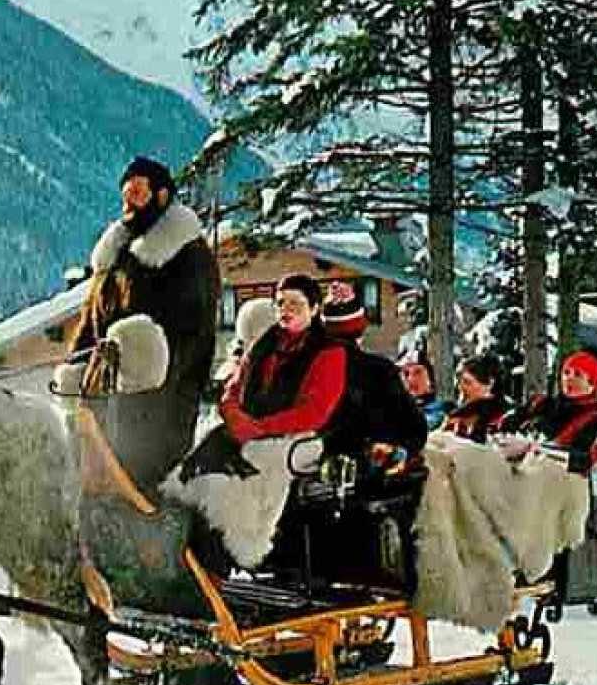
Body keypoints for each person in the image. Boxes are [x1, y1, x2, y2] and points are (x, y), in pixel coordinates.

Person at [66, 155, 221, 487]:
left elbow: (196, 330)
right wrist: (76, 361)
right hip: (107, 387)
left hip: (163, 394)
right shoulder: (119, 252)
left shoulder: (188, 254)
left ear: (161, 196)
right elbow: (93, 317)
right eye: (125, 195)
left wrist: (158, 377)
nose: (128, 203)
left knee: (143, 477)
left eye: (137, 194)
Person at [218, 273, 348, 444]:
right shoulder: (263, 345)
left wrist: (260, 427)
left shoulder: (329, 351)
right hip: (246, 431)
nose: (285, 310)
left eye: (295, 303)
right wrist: (233, 415)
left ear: (314, 309)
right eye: (280, 303)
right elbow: (234, 387)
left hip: (296, 439)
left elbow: (314, 412)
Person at [319, 282, 427, 470]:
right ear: (360, 329)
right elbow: (415, 430)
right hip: (371, 473)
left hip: (315, 468)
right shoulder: (380, 370)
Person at [499, 348, 597, 475]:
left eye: (578, 374)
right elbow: (503, 424)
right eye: (566, 372)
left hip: (565, 486)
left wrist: (536, 450)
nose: (569, 379)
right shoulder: (539, 403)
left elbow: (586, 460)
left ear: (592, 383)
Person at [441, 354, 513, 443]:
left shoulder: (508, 416)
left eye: (467, 382)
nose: (460, 387)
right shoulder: (458, 414)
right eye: (459, 382)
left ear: (490, 384)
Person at [397, 350, 449, 429]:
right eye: (406, 374)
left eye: (418, 372)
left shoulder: (444, 409)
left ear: (430, 378)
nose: (411, 379)